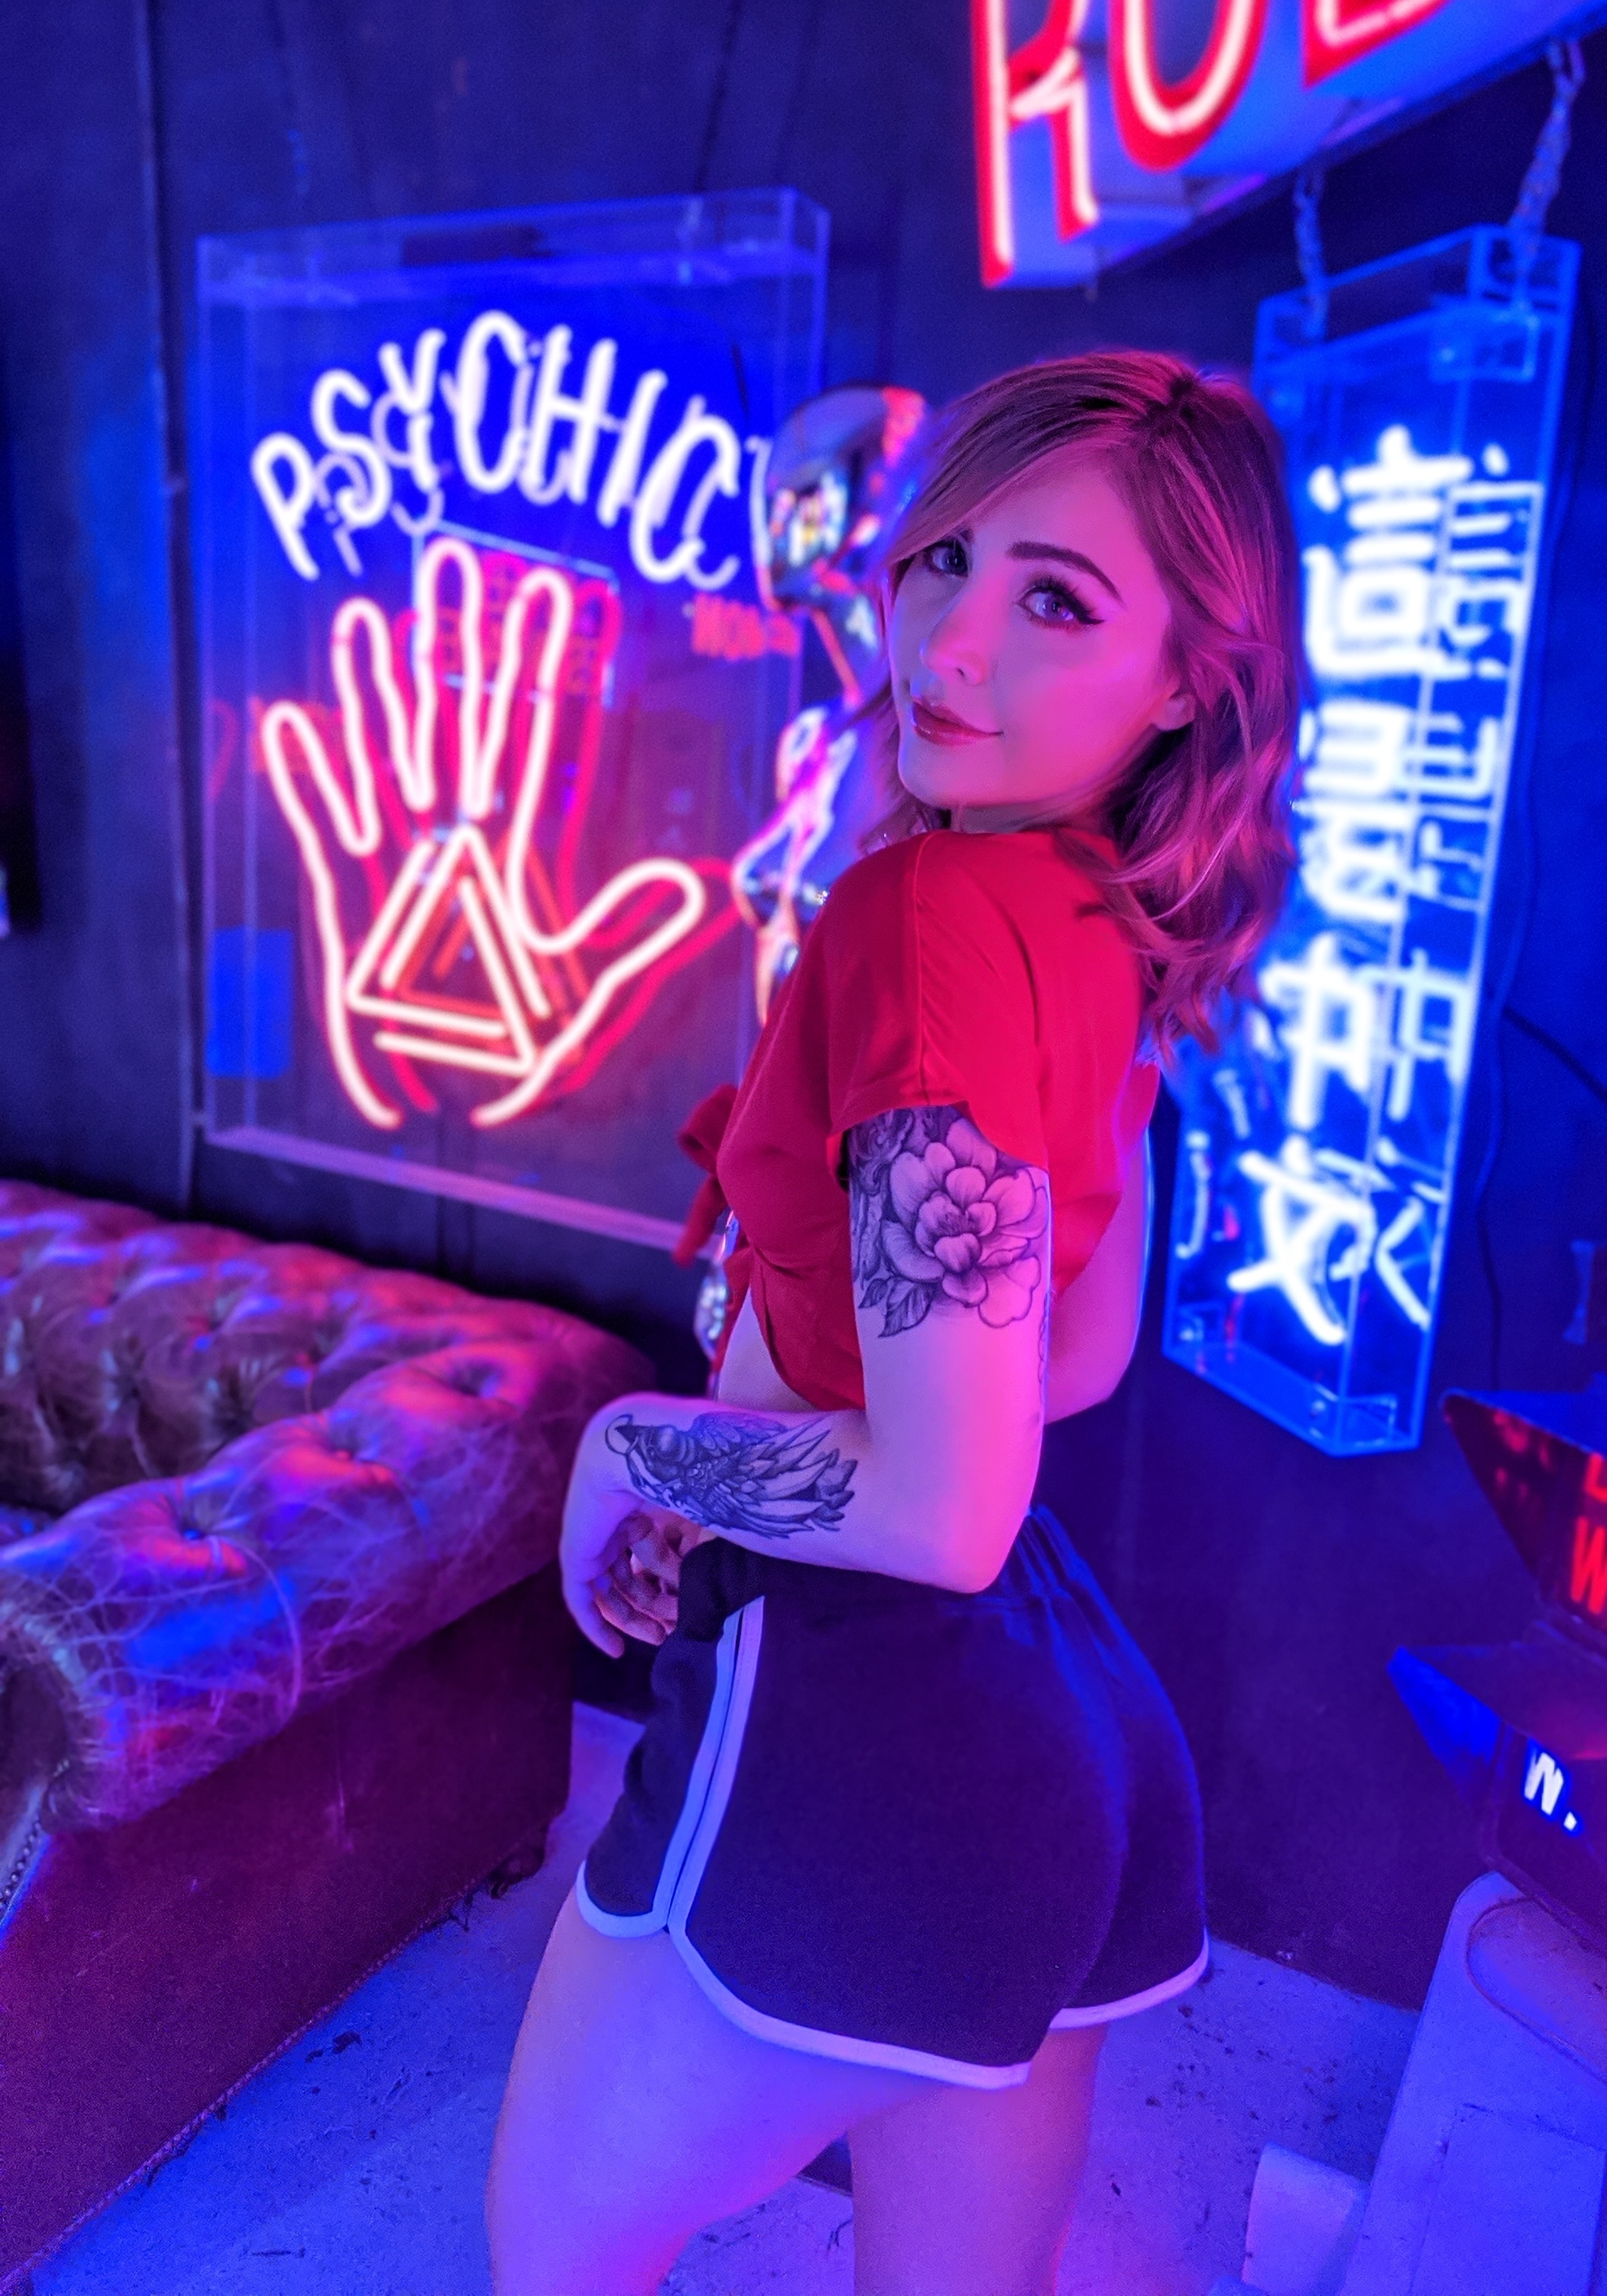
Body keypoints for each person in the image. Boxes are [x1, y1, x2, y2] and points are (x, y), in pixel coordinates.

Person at [486, 349, 1302, 2296]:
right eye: (946, 560)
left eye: (1057, 599)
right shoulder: (1102, 914)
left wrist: (632, 1448)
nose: (953, 641)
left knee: (553, 2251)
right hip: (1060, 1732)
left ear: (1188, 678)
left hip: (852, 1712)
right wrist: (744, 1460)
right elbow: (1075, 1362)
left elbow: (937, 1505)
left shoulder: (926, 919)